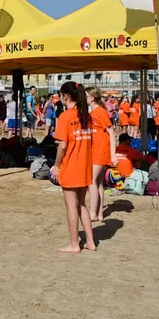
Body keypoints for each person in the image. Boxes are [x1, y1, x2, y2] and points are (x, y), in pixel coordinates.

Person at [50, 81, 96, 254]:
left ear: (66, 96)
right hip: (84, 164)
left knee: (71, 205)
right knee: (81, 204)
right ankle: (90, 241)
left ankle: (74, 243)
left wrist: (56, 165)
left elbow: (62, 145)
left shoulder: (66, 116)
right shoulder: (86, 115)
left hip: (71, 164)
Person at [86, 87, 117, 223]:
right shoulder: (92, 113)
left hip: (100, 150)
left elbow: (111, 132)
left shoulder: (100, 112)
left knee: (91, 180)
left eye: (85, 95)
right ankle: (99, 213)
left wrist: (113, 155)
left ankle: (92, 213)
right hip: (94, 150)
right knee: (97, 182)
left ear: (92, 97)